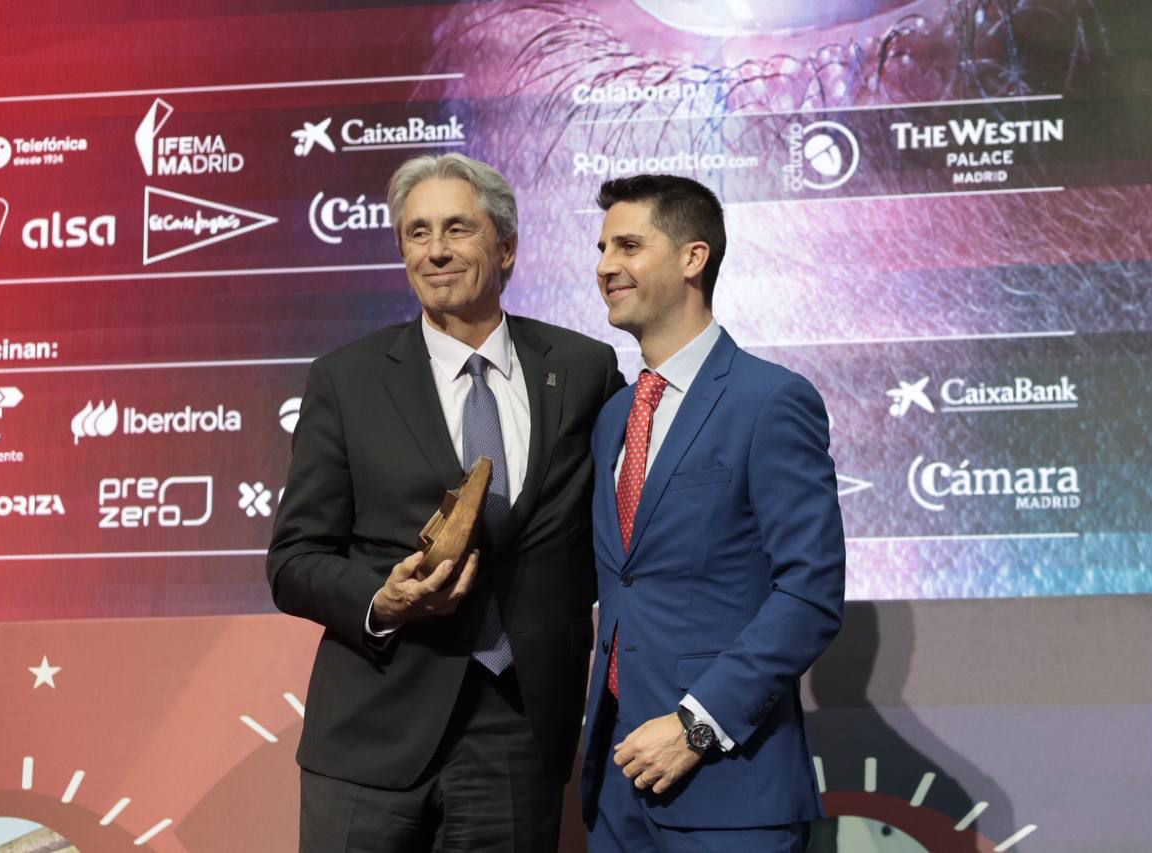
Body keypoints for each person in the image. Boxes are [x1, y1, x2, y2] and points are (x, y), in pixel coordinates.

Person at [267, 153, 624, 852]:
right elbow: (294, 558)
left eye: (457, 228)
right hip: (371, 733)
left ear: (507, 247)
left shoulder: (584, 370)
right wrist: (381, 600)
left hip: (519, 734)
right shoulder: (348, 379)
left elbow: (613, 531)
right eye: (416, 232)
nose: (434, 250)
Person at [581, 174, 846, 851]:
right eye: (604, 247)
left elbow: (810, 592)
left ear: (693, 257)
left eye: (629, 245)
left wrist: (697, 724)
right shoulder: (615, 416)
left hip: (730, 785)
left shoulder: (771, 399)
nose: (607, 265)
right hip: (618, 787)